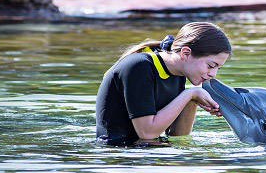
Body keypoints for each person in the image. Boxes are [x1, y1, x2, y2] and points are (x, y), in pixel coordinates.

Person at [95, 22, 232, 146]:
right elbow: (147, 133)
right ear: (185, 53)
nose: (213, 74)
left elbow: (176, 135)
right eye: (210, 65)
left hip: (144, 151)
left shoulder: (178, 74)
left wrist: (192, 101)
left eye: (217, 68)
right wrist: (190, 93)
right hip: (117, 153)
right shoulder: (139, 67)